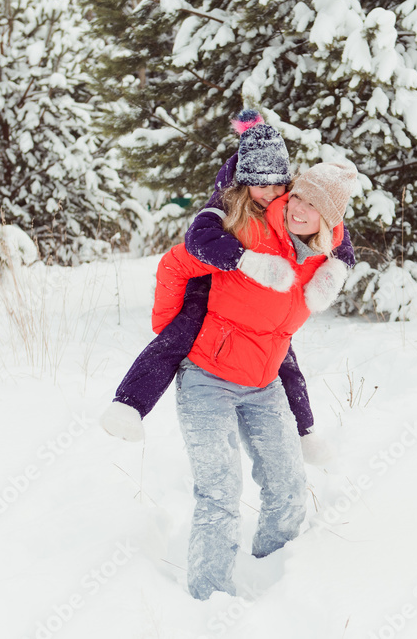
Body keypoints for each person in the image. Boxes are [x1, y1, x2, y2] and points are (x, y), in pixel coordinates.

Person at [150, 161, 358, 599]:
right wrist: (172, 330)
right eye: (297, 195)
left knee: (288, 489)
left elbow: (342, 246)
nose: (298, 208)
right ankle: (208, 601)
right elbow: (176, 263)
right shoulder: (250, 226)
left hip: (264, 384)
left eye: (313, 204)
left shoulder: (326, 258)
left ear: (331, 219)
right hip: (207, 376)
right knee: (220, 491)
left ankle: (276, 584)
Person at [101, 111, 355, 461]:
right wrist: (247, 261)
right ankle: (129, 405)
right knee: (177, 337)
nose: (272, 193)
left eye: (279, 184)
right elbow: (197, 241)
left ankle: (304, 433)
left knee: (286, 360)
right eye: (262, 185)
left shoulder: (290, 201)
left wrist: (335, 270)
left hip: (257, 307)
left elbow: (334, 227)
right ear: (245, 180)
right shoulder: (226, 200)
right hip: (211, 284)